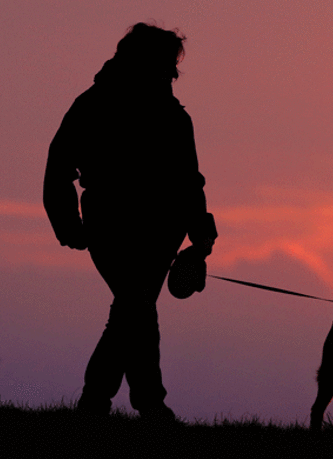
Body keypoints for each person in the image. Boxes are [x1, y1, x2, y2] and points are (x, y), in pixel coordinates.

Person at [43, 22, 216, 420]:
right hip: (111, 223)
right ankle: (137, 402)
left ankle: (119, 403)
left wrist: (200, 236)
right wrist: (67, 222)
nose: (173, 73)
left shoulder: (172, 116)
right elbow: (59, 166)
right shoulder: (95, 104)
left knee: (133, 310)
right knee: (135, 307)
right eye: (168, 64)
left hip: (160, 231)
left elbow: (188, 180)